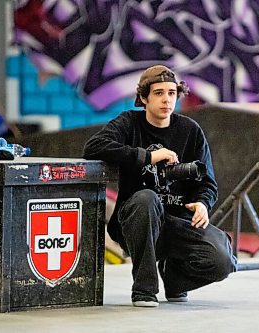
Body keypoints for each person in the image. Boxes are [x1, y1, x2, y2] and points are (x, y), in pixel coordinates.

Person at [83, 65, 237, 307]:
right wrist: (146, 157)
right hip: (134, 221)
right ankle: (144, 290)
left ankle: (175, 280)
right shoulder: (129, 123)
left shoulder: (190, 131)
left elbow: (207, 182)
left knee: (223, 260)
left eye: (172, 93)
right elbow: (93, 147)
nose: (167, 100)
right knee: (146, 198)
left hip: (176, 224)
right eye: (158, 93)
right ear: (144, 97)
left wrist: (203, 204)